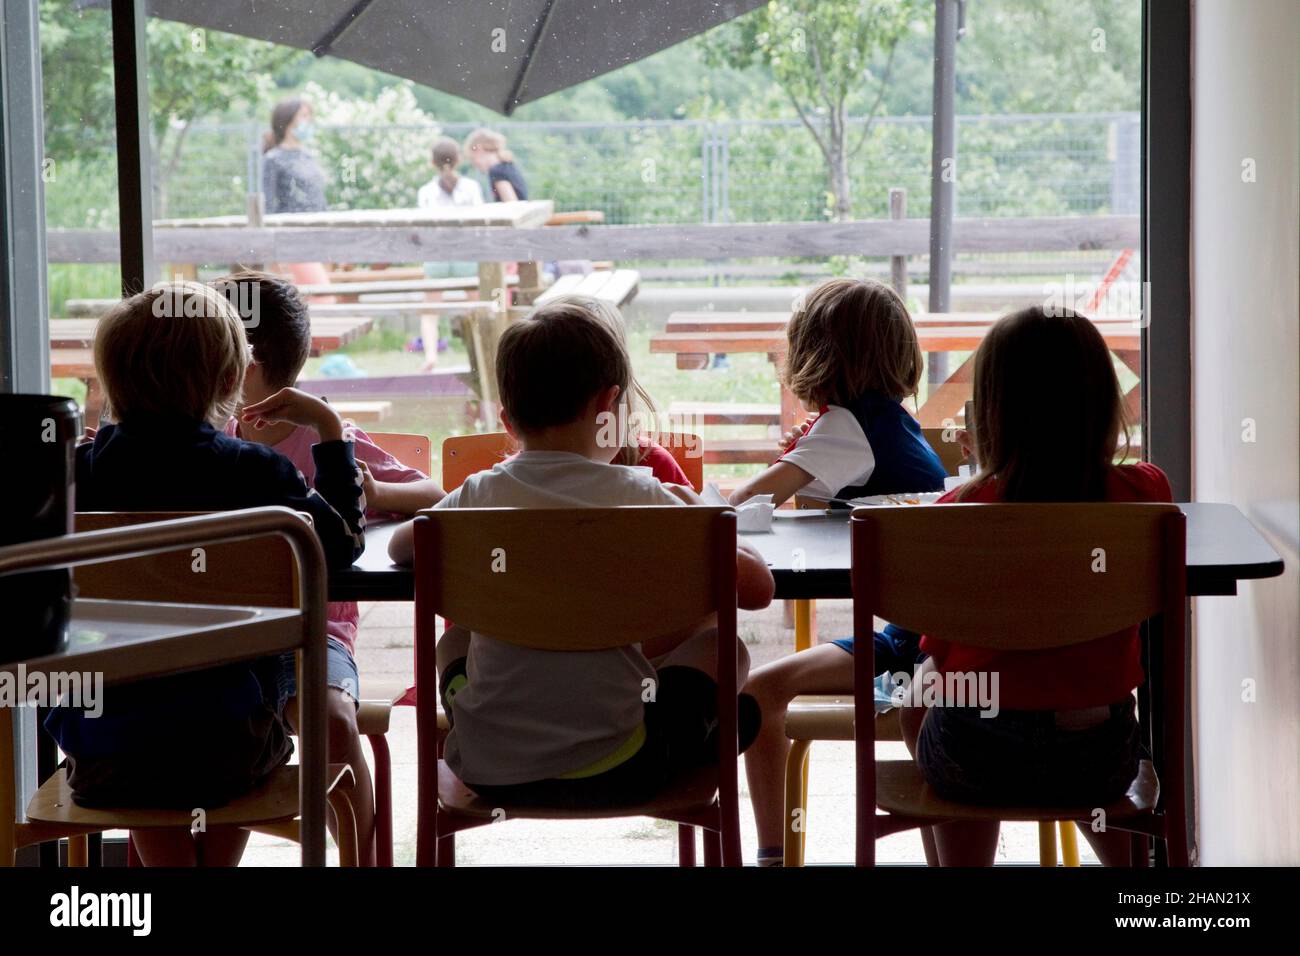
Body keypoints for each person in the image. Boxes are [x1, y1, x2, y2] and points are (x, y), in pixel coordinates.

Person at [387, 301, 774, 808]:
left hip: (487, 769)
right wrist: (697, 511)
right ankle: (695, 736)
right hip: (621, 767)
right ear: (611, 405)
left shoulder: (478, 493)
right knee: (726, 647)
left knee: (457, 638)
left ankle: (470, 713)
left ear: (505, 417)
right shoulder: (642, 494)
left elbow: (402, 546)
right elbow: (758, 588)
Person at [45, 281, 365, 866]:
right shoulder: (259, 476)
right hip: (231, 748)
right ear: (228, 382)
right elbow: (340, 548)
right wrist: (331, 433)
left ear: (110, 380)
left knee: (137, 716)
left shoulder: (71, 480)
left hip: (104, 754)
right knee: (228, 698)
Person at [897, 306, 1171, 866]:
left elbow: (940, 652)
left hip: (974, 757)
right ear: (1100, 403)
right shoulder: (1145, 495)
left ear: (993, 410)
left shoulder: (957, 512)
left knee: (921, 695)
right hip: (1097, 759)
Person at [214, 272, 444, 864]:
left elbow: (438, 493)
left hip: (314, 634)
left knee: (335, 721)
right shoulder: (212, 438)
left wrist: (381, 493)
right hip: (223, 640)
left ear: (244, 366)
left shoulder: (328, 439)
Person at [730, 277, 946, 865]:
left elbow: (746, 504)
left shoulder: (847, 426)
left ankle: (772, 855)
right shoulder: (894, 422)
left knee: (757, 690)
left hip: (908, 649)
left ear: (815, 355)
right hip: (941, 641)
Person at [415, 137, 485, 370]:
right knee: (475, 308)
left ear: (432, 163)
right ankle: (479, 354)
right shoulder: (472, 188)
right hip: (466, 252)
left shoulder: (425, 191)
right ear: (459, 160)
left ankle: (431, 355)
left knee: (430, 310)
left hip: (437, 254)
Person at [261, 98, 332, 292]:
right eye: (304, 116)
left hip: (318, 237)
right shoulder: (273, 159)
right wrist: (272, 252)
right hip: (292, 239)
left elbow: (318, 198)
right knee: (324, 296)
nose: (309, 121)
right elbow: (268, 205)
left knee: (309, 299)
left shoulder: (308, 156)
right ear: (288, 120)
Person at [464, 128, 529, 202]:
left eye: (473, 159)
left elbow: (511, 203)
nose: (475, 165)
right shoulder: (507, 166)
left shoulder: (497, 171)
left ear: (479, 149)